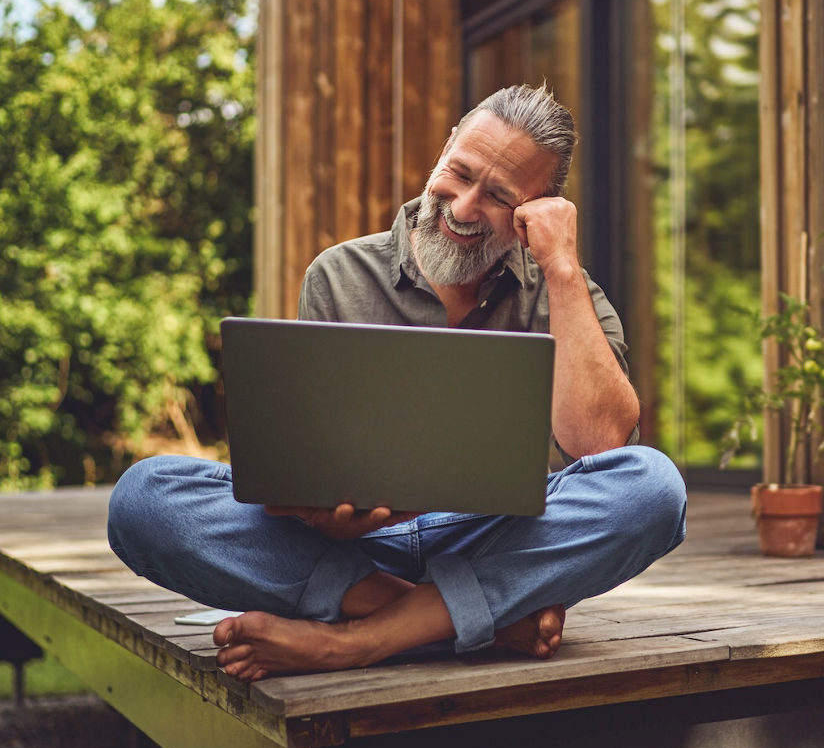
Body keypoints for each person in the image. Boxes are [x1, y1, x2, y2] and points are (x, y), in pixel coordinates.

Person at [107, 85, 687, 682]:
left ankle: (354, 642)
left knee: (653, 489)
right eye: (457, 174)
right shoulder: (338, 273)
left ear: (538, 209)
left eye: (498, 197)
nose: (462, 208)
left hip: (493, 539)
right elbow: (314, 459)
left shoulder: (570, 297)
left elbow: (601, 450)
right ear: (443, 151)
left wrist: (562, 268)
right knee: (146, 499)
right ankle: (448, 619)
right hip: (356, 552)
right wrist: (322, 516)